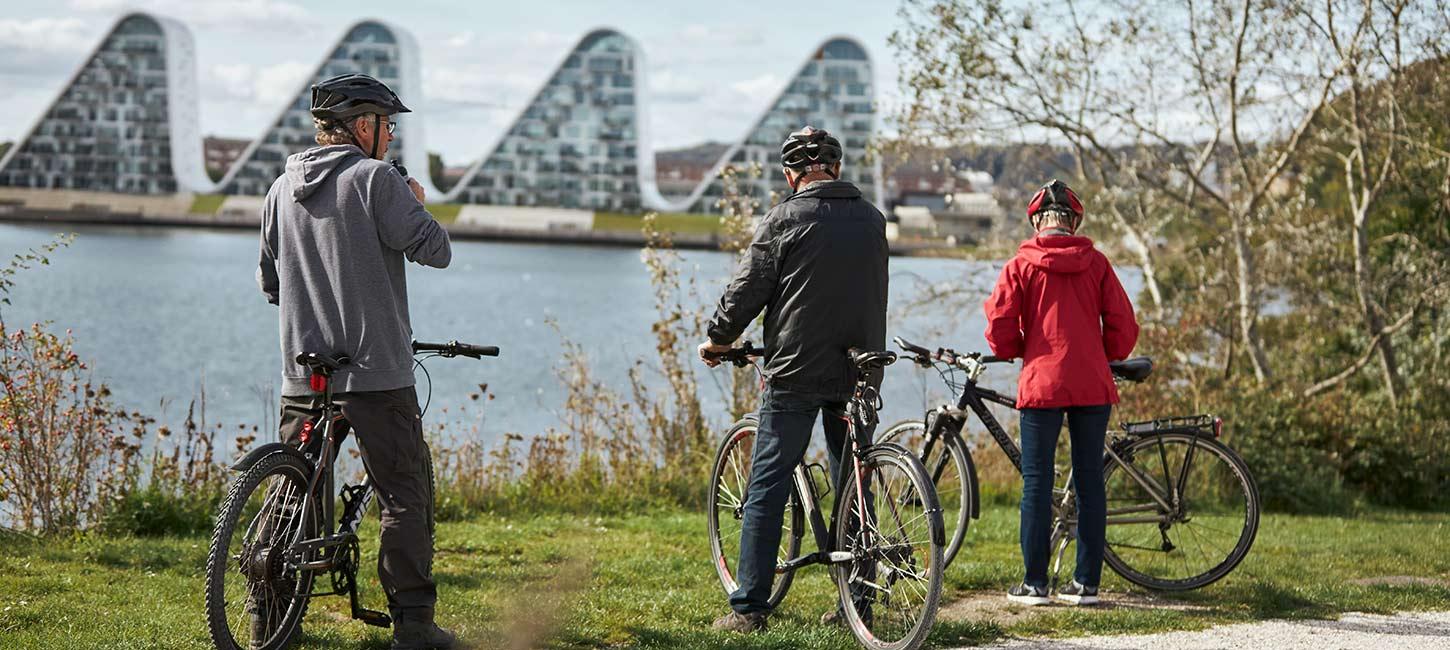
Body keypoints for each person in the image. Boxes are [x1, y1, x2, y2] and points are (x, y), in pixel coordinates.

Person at [256, 73, 458, 650]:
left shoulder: (278, 189)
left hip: (305, 369)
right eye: (388, 125)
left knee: (293, 490)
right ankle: (414, 626)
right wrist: (415, 203)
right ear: (361, 126)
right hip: (375, 370)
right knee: (403, 492)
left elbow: (270, 282)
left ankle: (269, 618)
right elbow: (436, 252)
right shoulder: (377, 181)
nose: (391, 136)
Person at [697, 126, 889, 633]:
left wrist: (718, 339)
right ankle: (859, 606)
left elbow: (747, 290)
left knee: (768, 484)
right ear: (838, 169)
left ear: (790, 174)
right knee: (855, 480)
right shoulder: (873, 219)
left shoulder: (785, 217)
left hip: (798, 368)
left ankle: (749, 609)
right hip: (860, 367)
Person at [983, 179, 1139, 607]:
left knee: (1036, 483)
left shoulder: (1021, 265)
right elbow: (1123, 328)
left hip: (1042, 383)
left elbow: (999, 328)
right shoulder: (1098, 264)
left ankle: (1035, 584)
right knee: (1090, 481)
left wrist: (1022, 349)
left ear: (1037, 222)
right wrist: (1100, 353)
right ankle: (1086, 584)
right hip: (1091, 382)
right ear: (1074, 222)